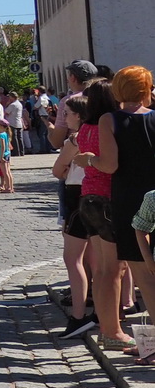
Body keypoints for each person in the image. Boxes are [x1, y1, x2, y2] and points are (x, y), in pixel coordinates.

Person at [94, 66, 155, 340]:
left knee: (145, 276)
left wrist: (89, 160)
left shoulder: (110, 120)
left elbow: (109, 165)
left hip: (130, 201)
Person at [70, 81, 132, 348]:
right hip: (107, 198)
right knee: (114, 269)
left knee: (103, 270)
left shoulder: (85, 127)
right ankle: (112, 329)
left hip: (88, 198)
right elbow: (110, 164)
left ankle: (107, 326)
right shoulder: (108, 126)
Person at [53, 97, 96, 337]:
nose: (64, 117)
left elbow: (57, 169)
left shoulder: (76, 139)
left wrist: (66, 168)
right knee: (97, 260)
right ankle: (102, 311)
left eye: (67, 113)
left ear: (79, 115)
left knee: (73, 259)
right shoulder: (101, 134)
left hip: (77, 196)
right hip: (97, 195)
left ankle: (78, 315)